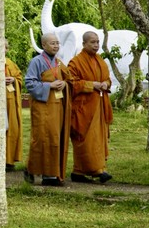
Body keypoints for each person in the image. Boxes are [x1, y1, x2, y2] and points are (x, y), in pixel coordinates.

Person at [24, 32, 72, 187]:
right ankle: (39, 171)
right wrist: (48, 85)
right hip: (42, 107)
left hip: (57, 108)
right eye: (52, 43)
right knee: (42, 140)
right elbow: (30, 83)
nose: (56, 46)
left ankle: (50, 173)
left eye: (57, 43)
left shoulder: (58, 63)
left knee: (55, 139)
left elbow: (69, 80)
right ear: (43, 45)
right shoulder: (36, 61)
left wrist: (64, 84)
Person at [68, 32, 115, 184]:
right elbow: (72, 83)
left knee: (98, 139)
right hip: (83, 108)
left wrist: (106, 84)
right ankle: (97, 171)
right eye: (92, 42)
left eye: (97, 42)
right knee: (86, 140)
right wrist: (91, 85)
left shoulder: (100, 61)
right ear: (84, 44)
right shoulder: (75, 62)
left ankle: (80, 172)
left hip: (100, 106)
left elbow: (107, 78)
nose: (96, 45)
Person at [4, 39, 24, 172]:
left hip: (11, 101)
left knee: (13, 129)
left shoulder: (10, 63)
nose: (3, 50)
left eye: (5, 48)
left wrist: (14, 80)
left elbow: (19, 78)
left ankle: (9, 160)